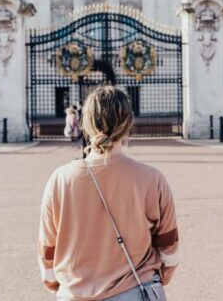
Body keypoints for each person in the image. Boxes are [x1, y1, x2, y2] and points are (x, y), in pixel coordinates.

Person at [38, 86, 179, 301]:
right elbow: (169, 246)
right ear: (128, 124)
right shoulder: (151, 178)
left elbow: (48, 249)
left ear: (86, 124)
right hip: (135, 290)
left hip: (76, 293)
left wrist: (57, 285)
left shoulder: (59, 179)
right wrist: (161, 277)